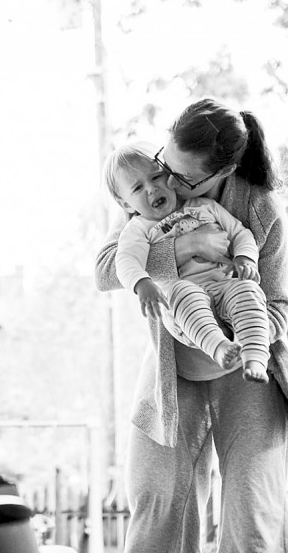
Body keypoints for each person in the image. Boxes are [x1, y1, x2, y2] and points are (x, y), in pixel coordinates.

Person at [95, 98, 288, 553]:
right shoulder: (145, 185)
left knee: (253, 512)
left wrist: (236, 336)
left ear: (223, 173)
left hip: (248, 371)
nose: (165, 184)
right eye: (164, 165)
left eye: (181, 179)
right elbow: (107, 270)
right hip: (173, 368)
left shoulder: (258, 206)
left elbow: (278, 305)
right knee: (157, 498)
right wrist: (182, 247)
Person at [102, 142, 271, 383]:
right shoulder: (138, 229)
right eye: (138, 188)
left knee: (248, 290)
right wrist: (142, 283)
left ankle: (255, 358)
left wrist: (245, 257)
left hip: (224, 282)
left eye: (157, 177)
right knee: (181, 295)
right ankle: (219, 346)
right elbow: (125, 260)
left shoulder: (205, 206)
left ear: (170, 176)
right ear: (126, 204)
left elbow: (240, 233)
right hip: (185, 290)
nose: (151, 189)